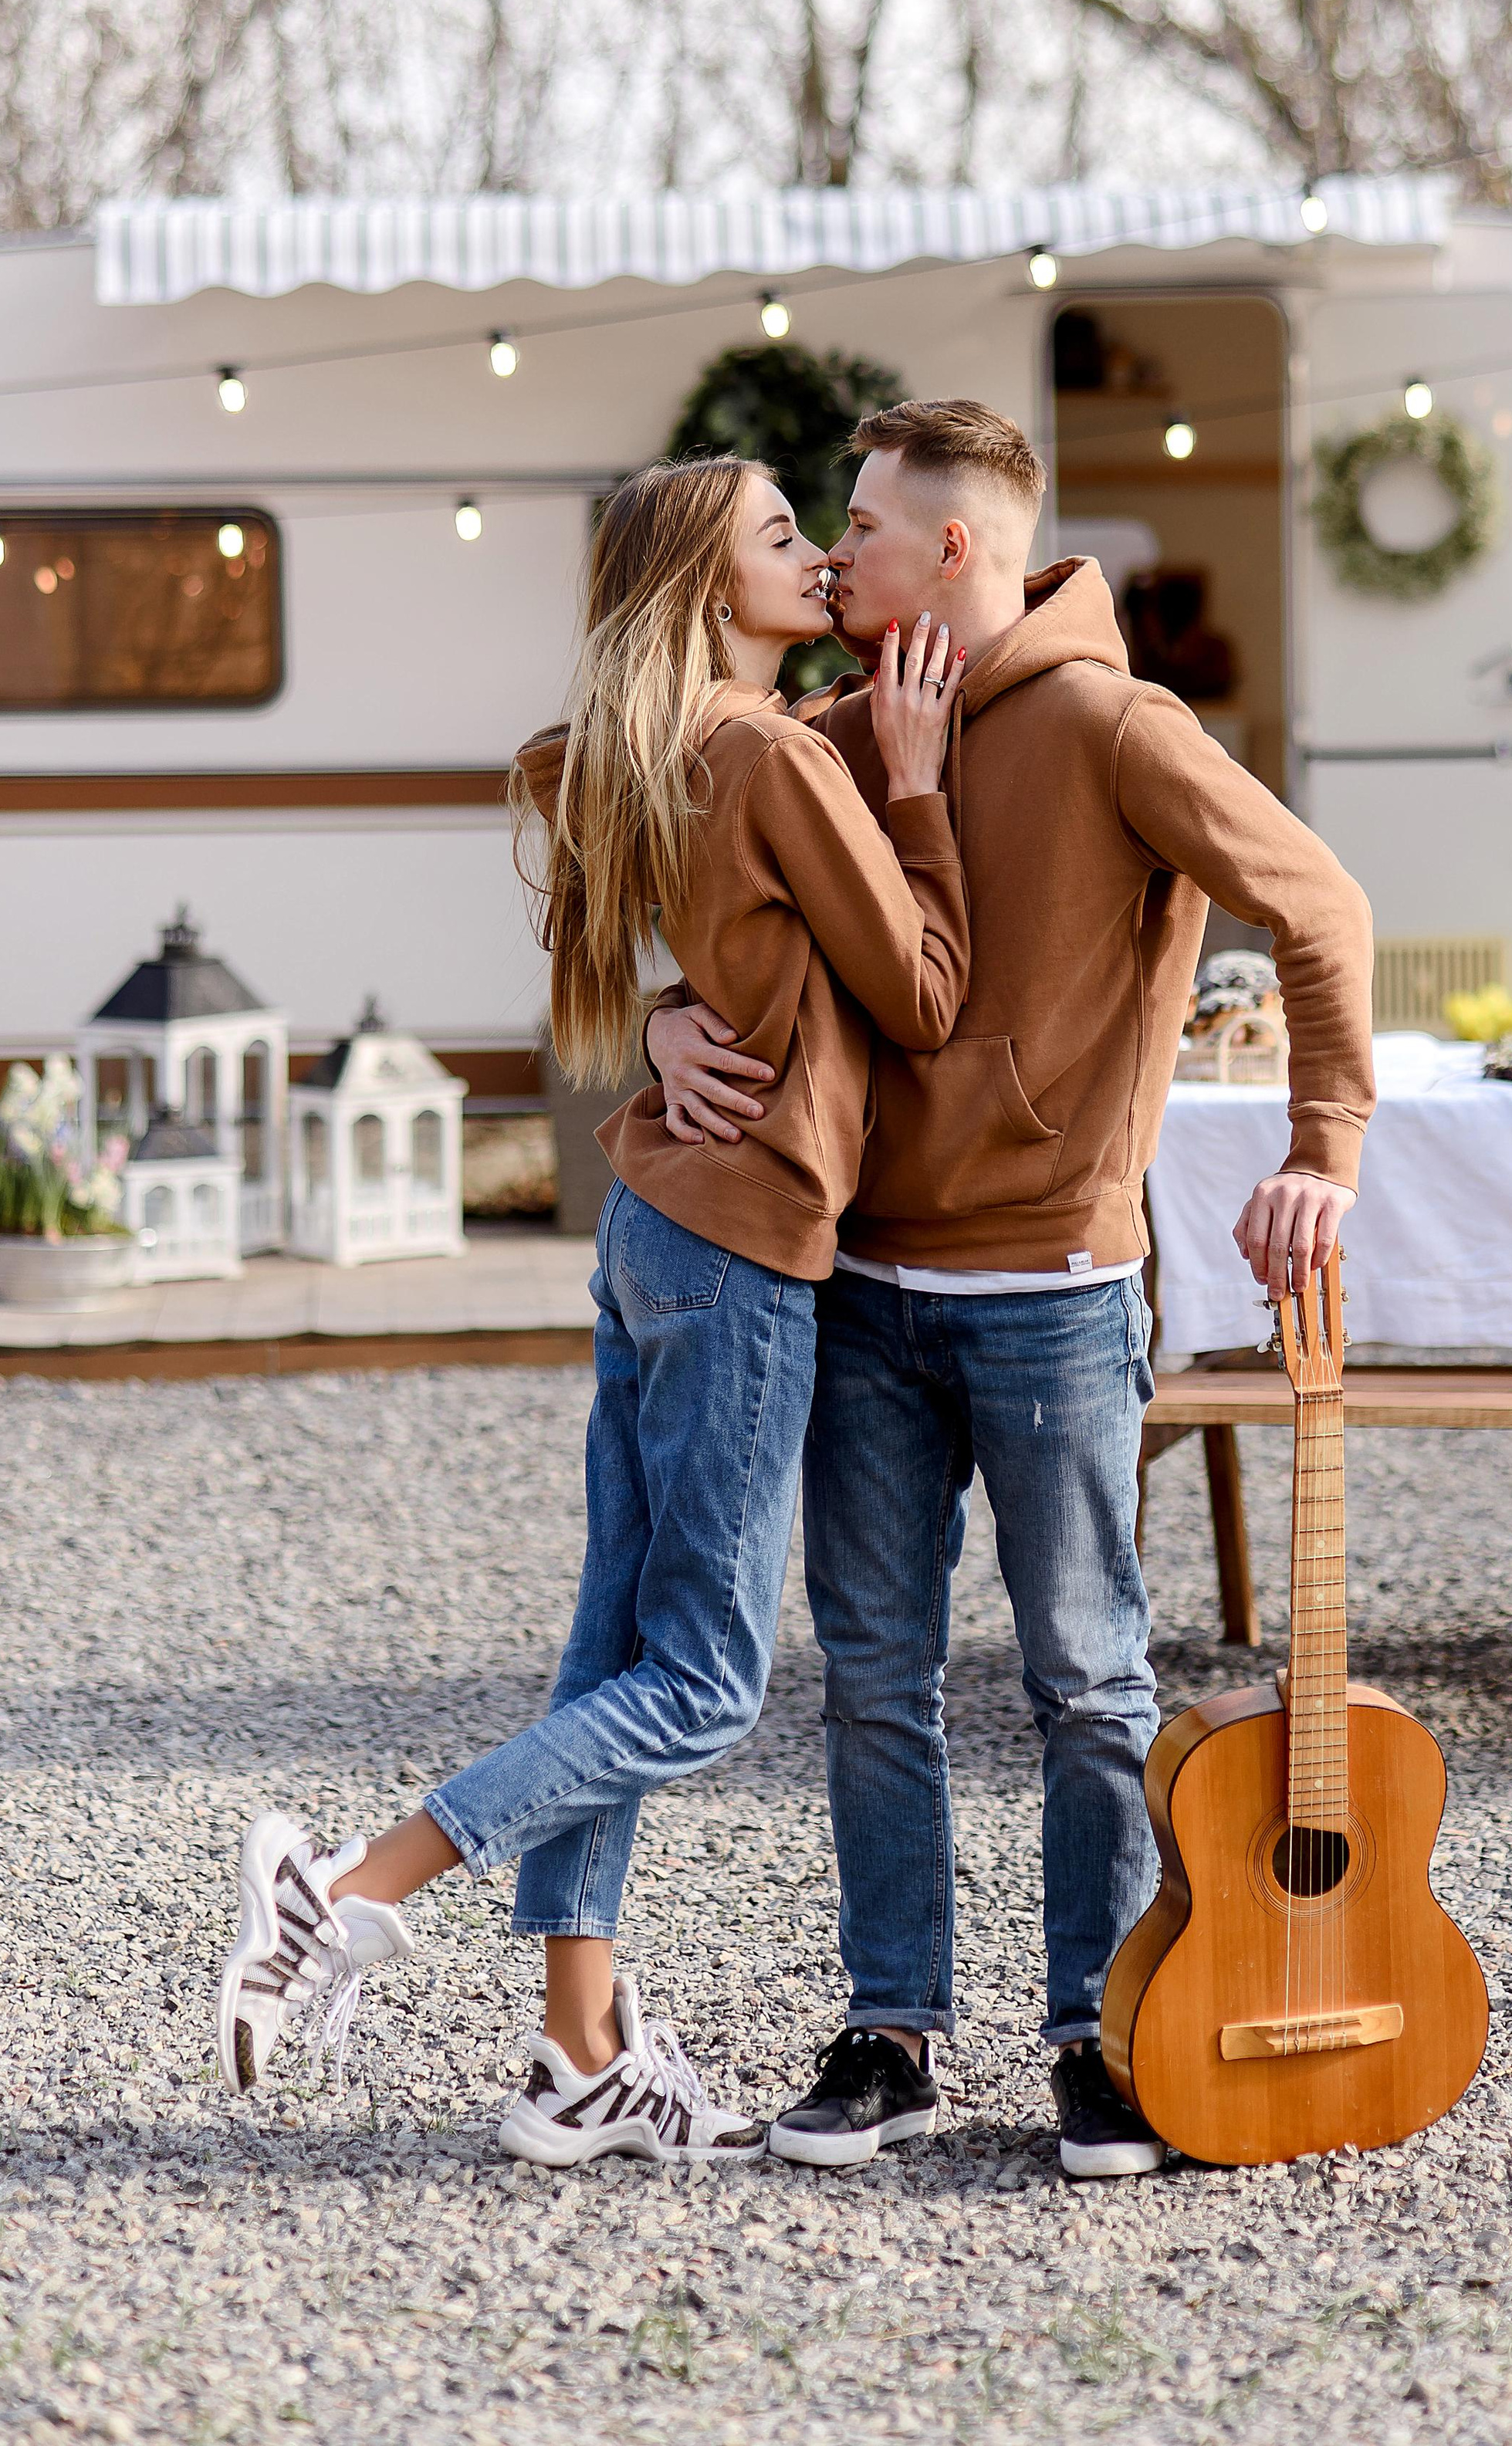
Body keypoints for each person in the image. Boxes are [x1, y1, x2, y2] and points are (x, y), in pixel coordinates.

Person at [648, 398, 1375, 2179]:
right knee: (874, 1680)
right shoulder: (828, 731)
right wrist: (659, 1029)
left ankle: (1098, 2036)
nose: (836, 551)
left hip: (1052, 1289)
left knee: (1085, 1683)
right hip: (862, 1289)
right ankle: (890, 2033)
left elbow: (1323, 906)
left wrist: (1319, 1149)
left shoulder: (1119, 728)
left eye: (867, 525)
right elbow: (676, 904)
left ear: (951, 551)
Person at [215, 453, 970, 2164]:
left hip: (648, 1232)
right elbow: (923, 996)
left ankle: (578, 2054)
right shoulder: (771, 751)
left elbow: (573, 783)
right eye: (781, 540)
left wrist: (657, 1015)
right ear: (713, 595)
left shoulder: (651, 747)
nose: (814, 560)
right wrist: (913, 786)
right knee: (701, 1683)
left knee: (609, 1651)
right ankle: (346, 1889)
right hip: (743, 1246)